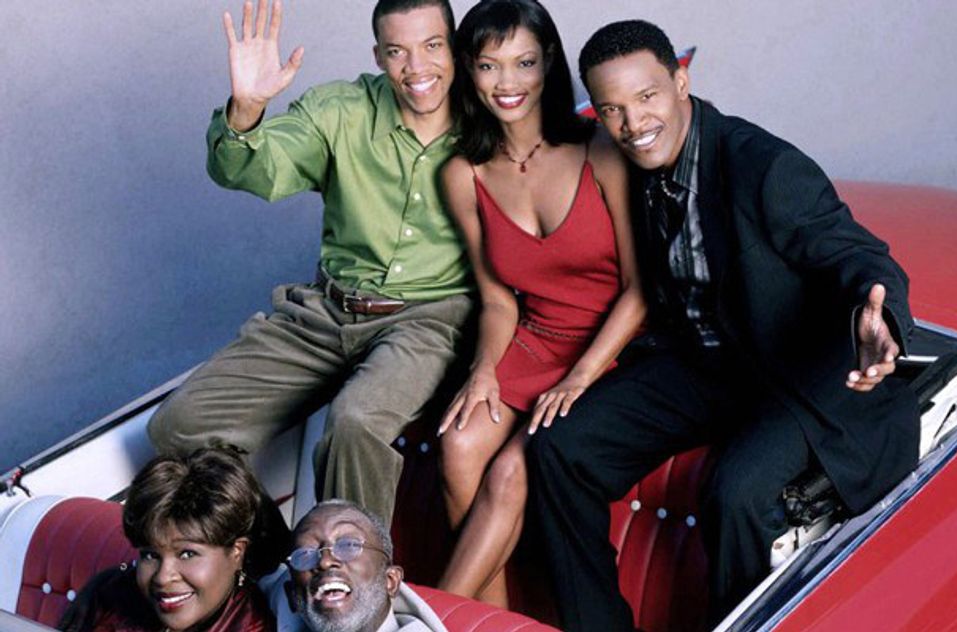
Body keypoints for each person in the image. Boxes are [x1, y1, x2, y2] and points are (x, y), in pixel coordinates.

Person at [526, 19, 920, 631]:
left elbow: (854, 254)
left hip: (795, 372)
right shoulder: (625, 162)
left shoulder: (763, 165)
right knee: (559, 448)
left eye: (647, 96)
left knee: (737, 493)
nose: (633, 123)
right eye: (613, 109)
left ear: (681, 82)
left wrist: (880, 319)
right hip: (705, 363)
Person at [147, 0, 473, 527]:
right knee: (180, 425)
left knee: (355, 422)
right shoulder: (339, 109)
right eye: (397, 51)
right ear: (378, 56)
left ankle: (357, 573)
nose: (417, 68)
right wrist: (247, 111)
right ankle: (278, 557)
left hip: (428, 319)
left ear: (454, 47)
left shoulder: (486, 119)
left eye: (432, 46)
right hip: (327, 311)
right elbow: (253, 169)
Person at [435, 0, 644, 609]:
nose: (508, 83)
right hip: (535, 340)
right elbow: (497, 297)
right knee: (459, 444)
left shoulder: (600, 150)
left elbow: (642, 289)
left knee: (510, 470)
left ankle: (430, 619)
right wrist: (482, 371)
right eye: (489, 65)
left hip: (613, 348)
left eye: (524, 63)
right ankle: (491, 621)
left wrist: (580, 378)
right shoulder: (464, 173)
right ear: (468, 71)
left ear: (548, 63)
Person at [59, 447, 276, 631]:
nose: (163, 577)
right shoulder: (107, 595)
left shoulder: (252, 626)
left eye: (187, 554)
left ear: (237, 551)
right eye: (150, 555)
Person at [263, 499, 447, 632]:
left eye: (348, 545)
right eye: (305, 553)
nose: (325, 561)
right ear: (293, 597)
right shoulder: (285, 601)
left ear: (390, 581)